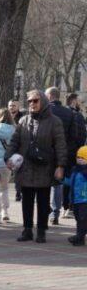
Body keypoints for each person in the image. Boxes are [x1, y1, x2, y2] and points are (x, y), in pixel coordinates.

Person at [6, 89, 66, 243]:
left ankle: (41, 231)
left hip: (44, 168)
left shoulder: (55, 121)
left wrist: (60, 166)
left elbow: (60, 146)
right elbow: (14, 141)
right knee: (26, 201)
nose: (32, 104)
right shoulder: (23, 121)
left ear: (43, 102)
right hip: (26, 168)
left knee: (43, 201)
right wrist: (8, 157)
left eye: (35, 100)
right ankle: (27, 230)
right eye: (29, 101)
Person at [45, 87, 76, 225]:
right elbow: (74, 136)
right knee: (57, 184)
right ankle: (55, 213)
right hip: (62, 153)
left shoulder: (44, 112)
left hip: (45, 153)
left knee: (43, 183)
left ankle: (47, 209)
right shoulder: (69, 113)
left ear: (50, 96)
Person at [62, 92, 86, 220]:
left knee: (62, 182)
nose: (80, 104)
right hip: (73, 153)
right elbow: (81, 136)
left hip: (61, 152)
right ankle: (70, 208)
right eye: (79, 101)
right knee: (73, 181)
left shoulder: (61, 114)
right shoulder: (77, 115)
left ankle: (61, 208)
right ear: (73, 101)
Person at [65, 146, 87, 246]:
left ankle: (79, 236)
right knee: (78, 219)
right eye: (78, 157)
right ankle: (80, 238)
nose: (79, 159)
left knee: (83, 219)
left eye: (82, 158)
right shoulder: (75, 170)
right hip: (76, 200)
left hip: (84, 200)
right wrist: (62, 180)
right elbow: (71, 182)